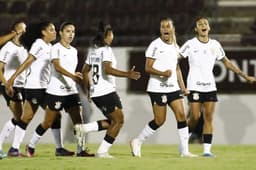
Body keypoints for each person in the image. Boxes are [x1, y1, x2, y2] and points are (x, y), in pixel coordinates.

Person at [179, 16, 256, 157]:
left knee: (208, 117)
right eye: (200, 24)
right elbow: (176, 58)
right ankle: (183, 146)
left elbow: (227, 62)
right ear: (196, 29)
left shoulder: (215, 44)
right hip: (194, 85)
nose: (203, 25)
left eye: (205, 24)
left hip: (210, 86)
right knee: (195, 116)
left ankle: (207, 151)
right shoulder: (190, 44)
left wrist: (245, 76)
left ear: (209, 28)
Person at [130, 17, 197, 158]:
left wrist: (183, 87)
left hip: (173, 88)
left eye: (168, 26)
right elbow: (147, 67)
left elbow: (177, 68)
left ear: (173, 29)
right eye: (162, 27)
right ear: (160, 30)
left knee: (181, 116)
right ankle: (137, 141)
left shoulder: (175, 46)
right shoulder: (155, 45)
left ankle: (184, 151)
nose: (165, 29)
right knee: (160, 120)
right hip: (157, 88)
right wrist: (162, 74)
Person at [5, 21, 74, 157]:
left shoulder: (51, 46)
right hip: (34, 87)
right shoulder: (39, 44)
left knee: (55, 115)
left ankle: (59, 148)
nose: (55, 32)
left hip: (44, 88)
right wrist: (12, 78)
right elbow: (28, 61)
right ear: (43, 32)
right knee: (27, 117)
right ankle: (14, 149)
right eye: (52, 30)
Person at [25, 22, 94, 157]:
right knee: (48, 122)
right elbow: (57, 67)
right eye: (68, 31)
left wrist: (76, 74)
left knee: (78, 121)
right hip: (56, 91)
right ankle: (31, 145)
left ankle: (81, 150)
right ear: (61, 33)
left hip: (71, 91)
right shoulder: (55, 48)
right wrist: (72, 75)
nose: (71, 34)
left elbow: (70, 70)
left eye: (73, 31)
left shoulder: (74, 51)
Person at [81, 22, 141, 158]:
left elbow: (84, 71)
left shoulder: (94, 51)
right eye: (111, 33)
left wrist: (89, 89)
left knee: (113, 121)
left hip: (97, 93)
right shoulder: (106, 50)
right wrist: (127, 74)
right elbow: (107, 69)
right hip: (106, 92)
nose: (113, 36)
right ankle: (102, 151)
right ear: (106, 36)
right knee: (119, 121)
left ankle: (84, 128)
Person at [0, 21, 27, 159]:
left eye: (25, 30)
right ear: (15, 31)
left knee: (19, 118)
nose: (24, 32)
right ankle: (12, 149)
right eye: (21, 30)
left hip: (22, 85)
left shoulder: (25, 48)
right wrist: (6, 84)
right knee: (20, 118)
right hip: (10, 85)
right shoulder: (8, 47)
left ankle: (13, 149)